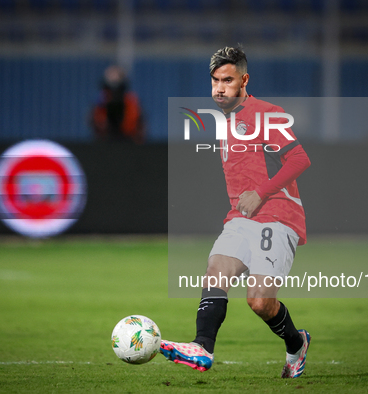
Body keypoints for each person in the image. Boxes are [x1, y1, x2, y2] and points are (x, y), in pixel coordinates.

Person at [160, 46, 312, 378]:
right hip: (242, 220)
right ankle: (202, 347)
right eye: (214, 80)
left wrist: (261, 192)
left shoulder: (266, 114)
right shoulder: (224, 122)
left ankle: (297, 344)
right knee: (215, 270)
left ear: (244, 80)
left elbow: (300, 159)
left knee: (259, 302)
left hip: (277, 216)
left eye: (227, 80)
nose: (219, 88)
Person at [90, 65, 145, 144]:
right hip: (105, 144)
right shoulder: (100, 103)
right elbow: (97, 126)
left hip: (129, 144)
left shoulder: (132, 102)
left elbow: (138, 127)